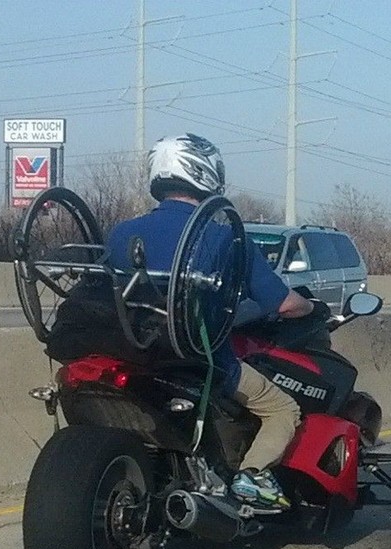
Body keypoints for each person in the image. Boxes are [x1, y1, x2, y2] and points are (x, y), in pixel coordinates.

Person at [107, 133, 314, 510]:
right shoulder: (224, 238)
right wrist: (311, 307)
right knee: (283, 409)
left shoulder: (122, 232)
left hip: (132, 349)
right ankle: (250, 477)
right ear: (204, 171)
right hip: (200, 360)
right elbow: (284, 304)